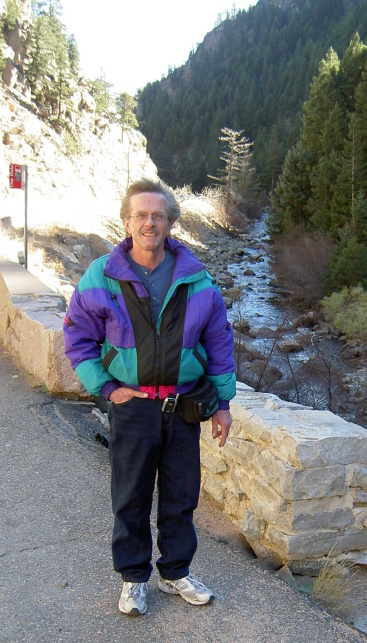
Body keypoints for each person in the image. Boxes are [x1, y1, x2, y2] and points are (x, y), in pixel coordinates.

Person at [64, 178, 236, 617]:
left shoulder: (196, 278)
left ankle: (175, 572)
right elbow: (78, 338)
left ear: (170, 223)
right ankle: (134, 577)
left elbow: (218, 342)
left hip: (183, 405)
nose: (149, 223)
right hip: (134, 406)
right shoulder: (101, 275)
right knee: (131, 496)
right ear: (126, 222)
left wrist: (223, 403)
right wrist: (107, 388)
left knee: (181, 496)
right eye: (140, 215)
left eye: (158, 215)